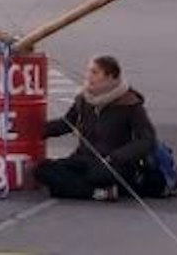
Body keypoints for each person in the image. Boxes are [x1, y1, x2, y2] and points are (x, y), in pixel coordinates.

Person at [34, 54, 157, 202]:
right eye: (88, 71)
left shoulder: (129, 103)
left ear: (111, 76)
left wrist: (116, 157)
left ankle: (77, 189)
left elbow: (147, 140)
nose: (88, 76)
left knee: (97, 175)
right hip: (83, 158)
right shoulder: (84, 99)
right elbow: (67, 124)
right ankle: (100, 193)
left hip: (112, 163)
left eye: (95, 72)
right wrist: (36, 130)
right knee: (43, 170)